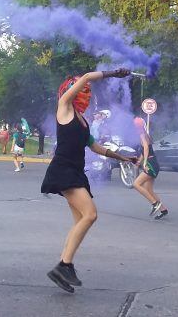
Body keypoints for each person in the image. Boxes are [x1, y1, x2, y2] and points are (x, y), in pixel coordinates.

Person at [40, 69, 137, 293]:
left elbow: (96, 147)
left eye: (86, 91)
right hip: (63, 170)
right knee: (91, 214)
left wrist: (123, 158)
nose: (85, 91)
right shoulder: (64, 108)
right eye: (81, 89)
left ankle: (65, 267)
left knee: (81, 221)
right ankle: (63, 265)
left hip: (76, 172)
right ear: (70, 91)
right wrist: (113, 73)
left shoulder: (82, 120)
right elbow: (84, 77)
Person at [131, 117, 168, 220]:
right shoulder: (145, 134)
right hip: (153, 162)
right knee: (148, 189)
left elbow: (146, 148)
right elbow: (145, 151)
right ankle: (163, 210)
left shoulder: (142, 135)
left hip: (151, 163)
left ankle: (155, 204)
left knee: (136, 184)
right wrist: (139, 161)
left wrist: (145, 163)